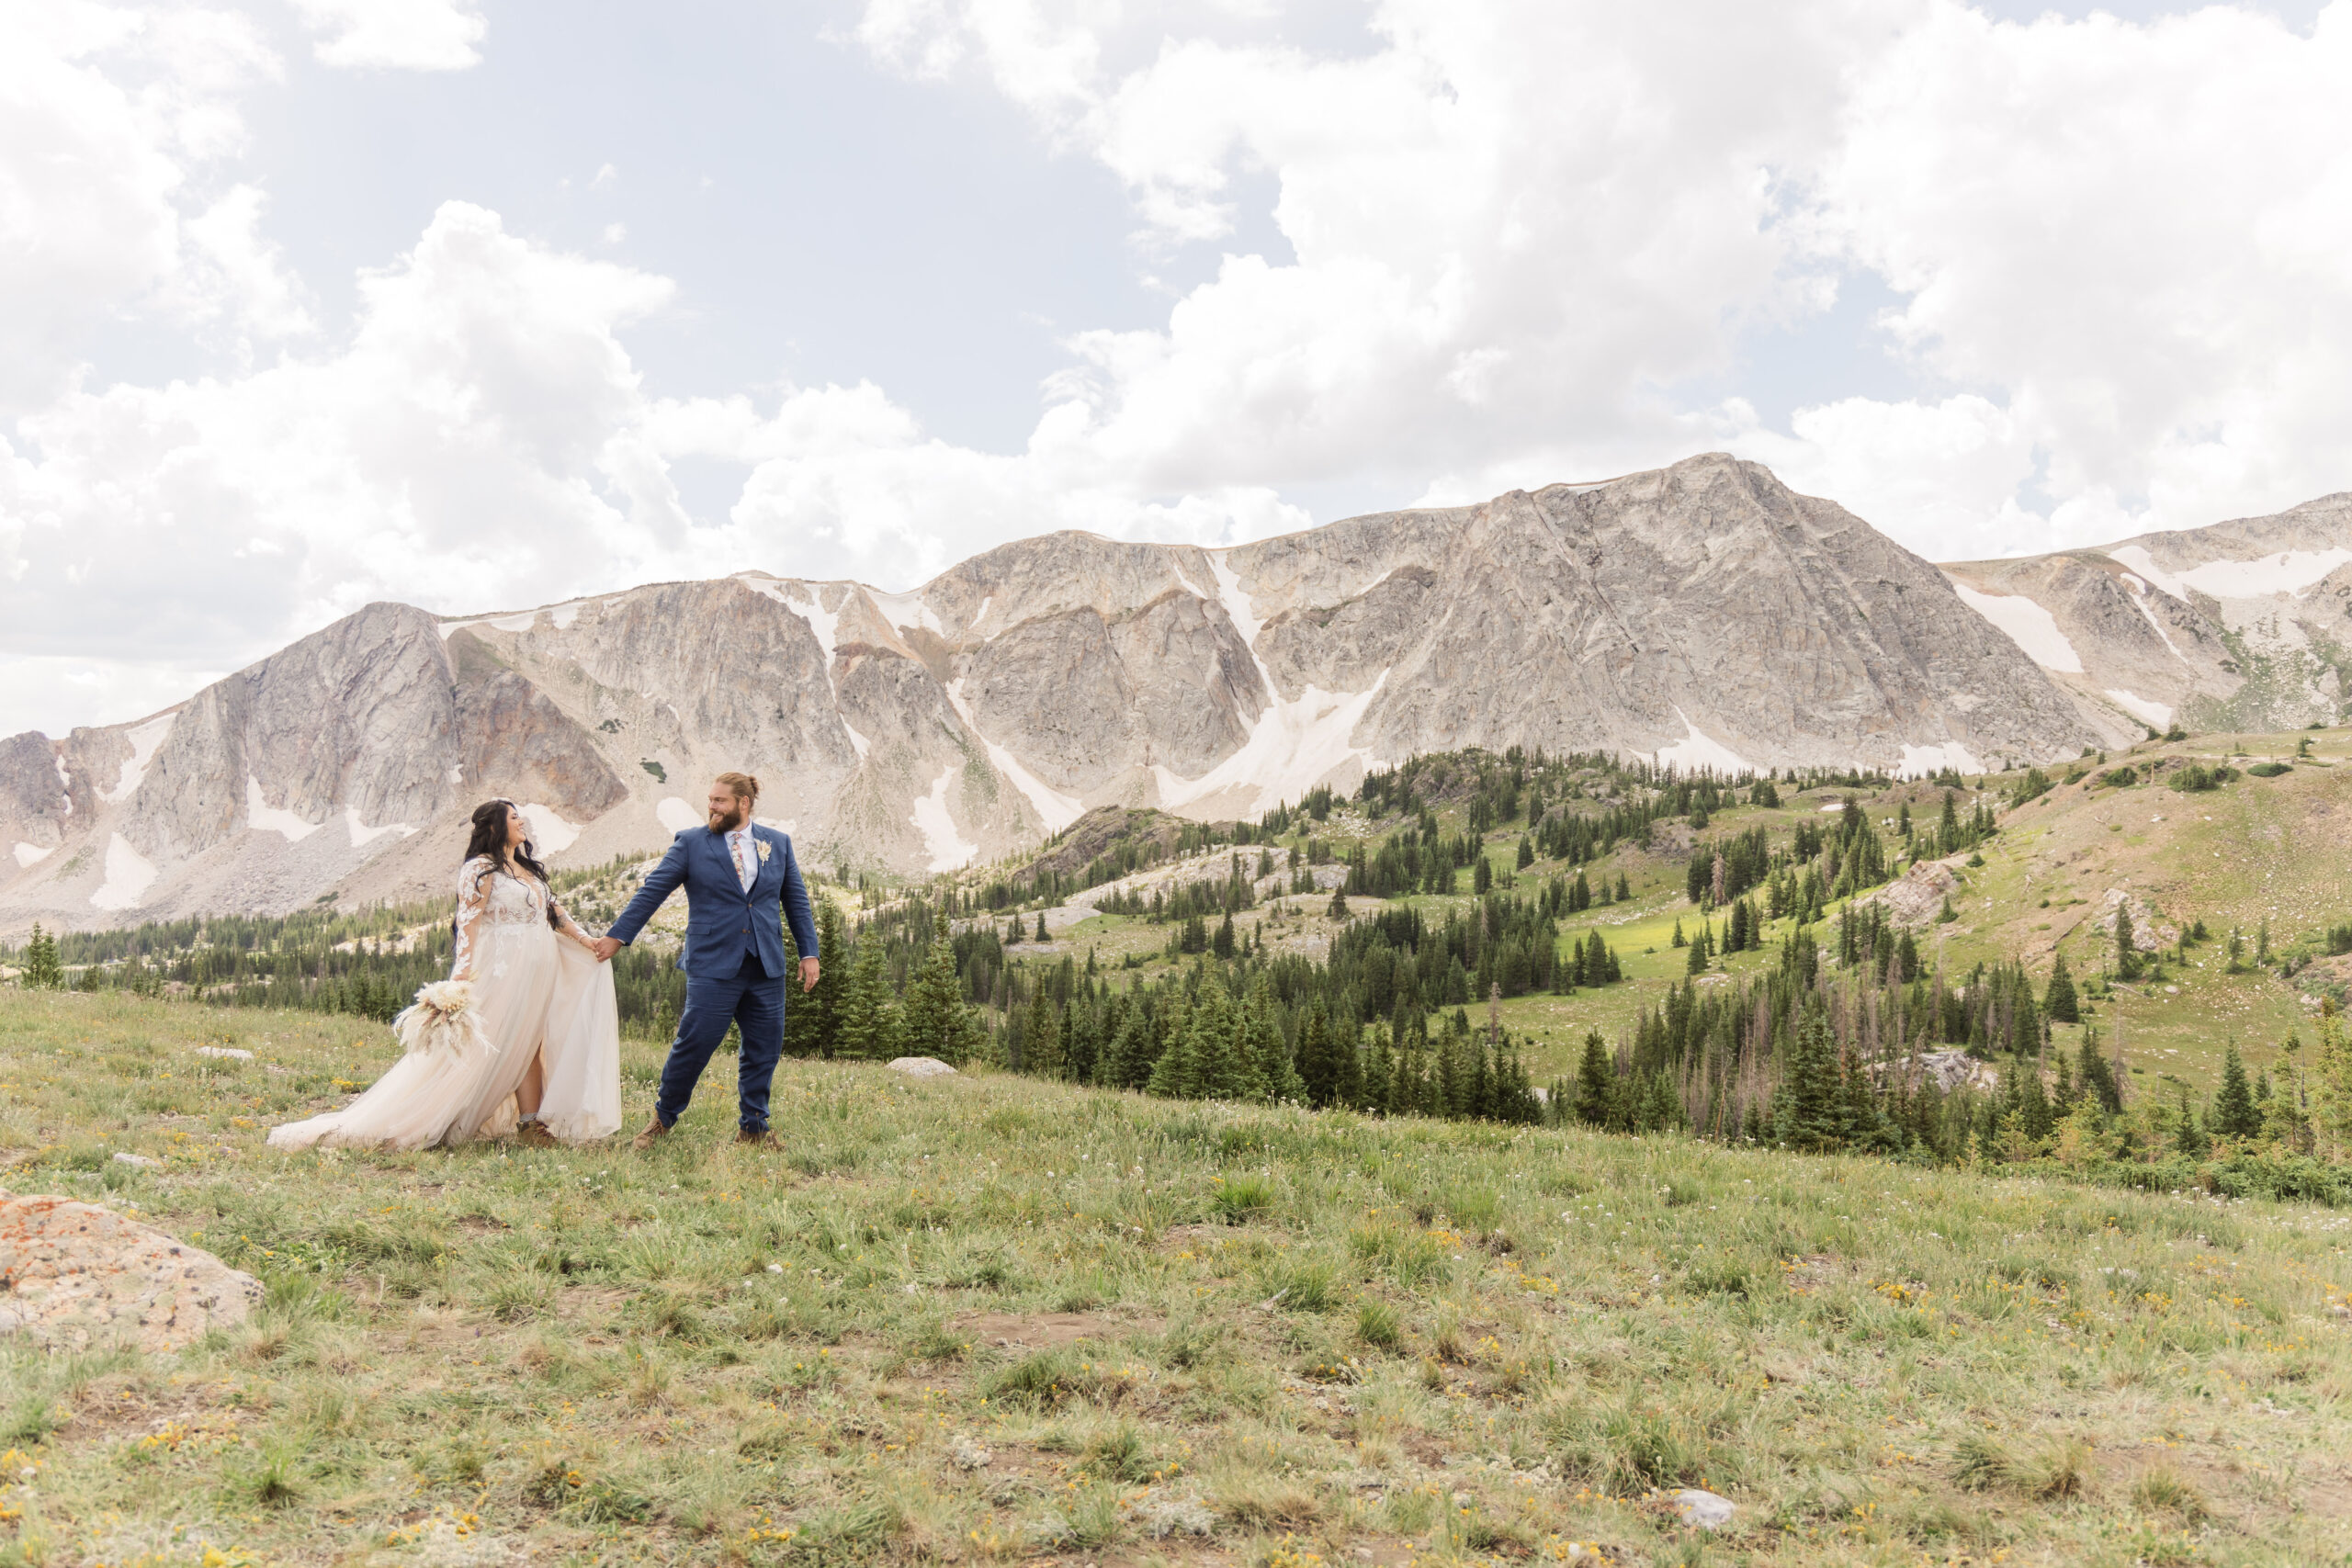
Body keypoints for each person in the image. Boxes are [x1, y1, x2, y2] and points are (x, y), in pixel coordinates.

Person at [269, 800, 622, 1151]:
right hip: (503, 969)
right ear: (496, 826)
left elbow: (555, 913)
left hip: (540, 970)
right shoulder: (479, 869)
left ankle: (531, 1125)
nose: (522, 821)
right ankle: (437, 1114)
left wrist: (588, 941)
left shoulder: (527, 869)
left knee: (530, 1040)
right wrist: (460, 978)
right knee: (490, 1040)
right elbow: (467, 924)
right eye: (514, 817)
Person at [594, 772, 818, 1149]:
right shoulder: (692, 843)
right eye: (710, 800)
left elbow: (795, 900)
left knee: (764, 1049)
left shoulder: (776, 843)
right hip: (713, 965)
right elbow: (654, 890)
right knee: (693, 1044)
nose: (711, 807)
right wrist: (618, 936)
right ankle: (662, 1119)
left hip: (766, 966)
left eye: (720, 801)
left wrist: (808, 952)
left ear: (743, 804)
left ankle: (754, 1127)